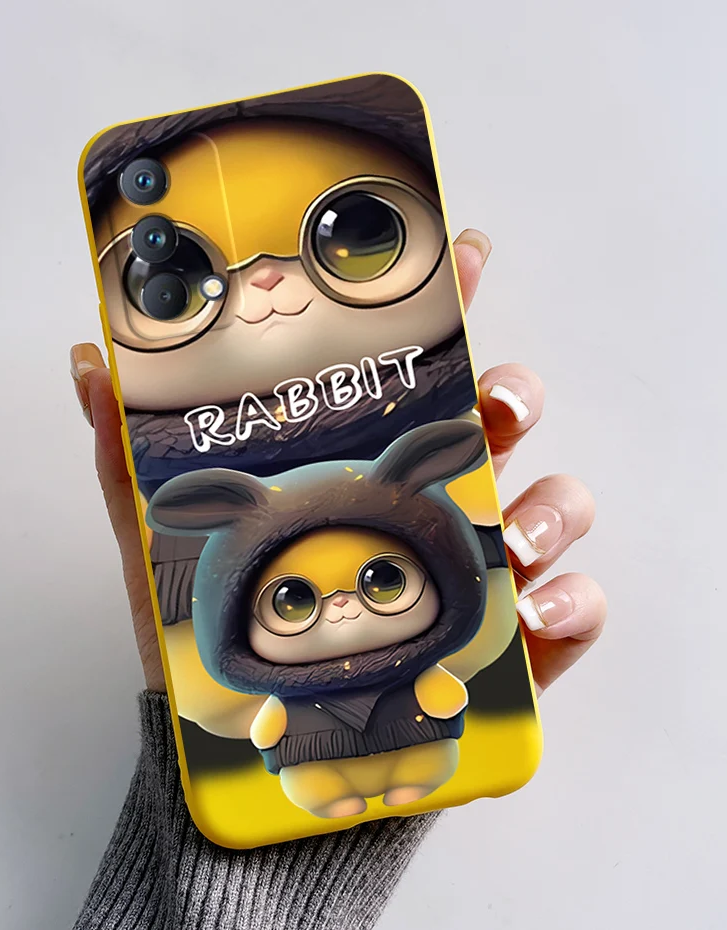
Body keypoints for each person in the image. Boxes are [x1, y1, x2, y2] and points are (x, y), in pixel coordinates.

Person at [68, 231, 607, 930]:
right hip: (309, 773)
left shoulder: (432, 638)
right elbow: (262, 724)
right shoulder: (257, 683)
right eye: (292, 600)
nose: (346, 609)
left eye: (383, 581)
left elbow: (441, 685)